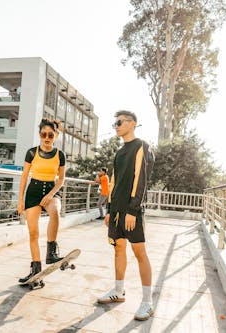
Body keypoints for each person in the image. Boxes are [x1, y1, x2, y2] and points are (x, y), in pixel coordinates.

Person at [97, 110, 155, 321]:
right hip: (117, 211)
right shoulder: (119, 152)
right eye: (115, 123)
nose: (116, 126)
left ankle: (147, 302)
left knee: (139, 252)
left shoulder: (141, 146)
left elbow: (141, 179)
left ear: (132, 124)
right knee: (118, 248)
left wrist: (133, 209)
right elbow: (113, 182)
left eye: (119, 122)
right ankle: (118, 291)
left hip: (132, 210)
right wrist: (110, 211)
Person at [17, 118, 66, 283]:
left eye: (50, 135)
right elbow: (24, 177)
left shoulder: (60, 155)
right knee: (33, 233)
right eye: (44, 134)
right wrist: (20, 200)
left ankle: (51, 252)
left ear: (55, 136)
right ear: (39, 135)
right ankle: (35, 269)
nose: (47, 138)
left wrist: (51, 194)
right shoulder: (31, 152)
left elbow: (61, 180)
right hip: (33, 192)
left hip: (51, 191)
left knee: (55, 212)